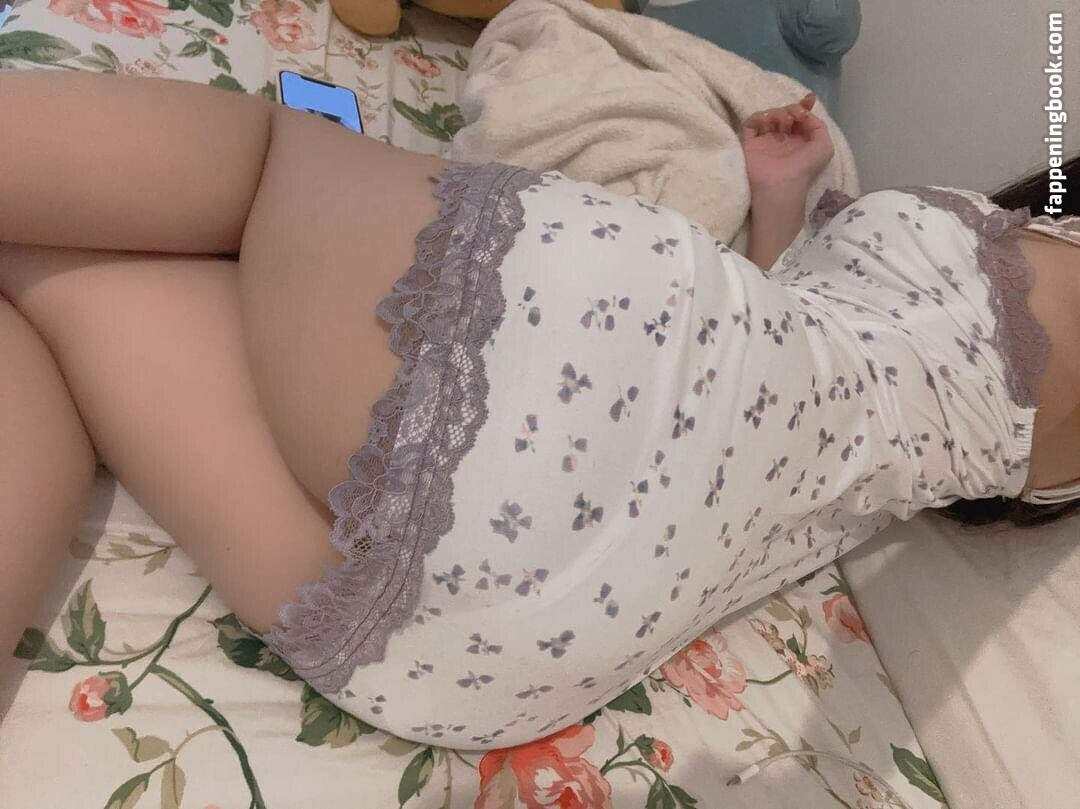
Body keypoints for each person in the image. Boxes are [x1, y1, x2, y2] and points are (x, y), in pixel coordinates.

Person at [0, 71, 1076, 749]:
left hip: (589, 371)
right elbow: (812, 386)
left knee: (265, 150)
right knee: (42, 272)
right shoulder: (1015, 436)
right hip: (549, 631)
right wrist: (780, 198)